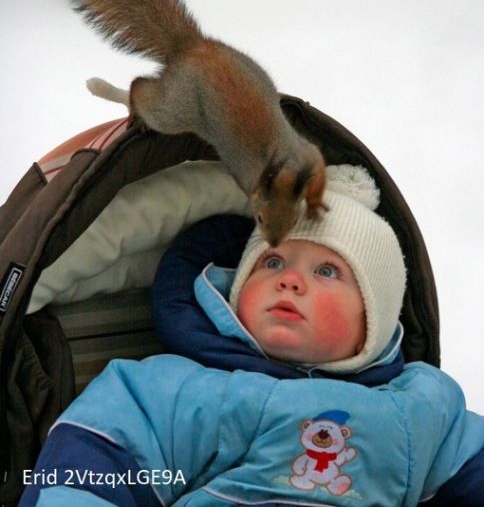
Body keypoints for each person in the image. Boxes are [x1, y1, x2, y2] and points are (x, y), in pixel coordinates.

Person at [20, 166, 484, 506]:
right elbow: (93, 465)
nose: (290, 281)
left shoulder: (421, 409)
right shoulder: (172, 390)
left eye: (327, 271)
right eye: (273, 262)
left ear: (374, 318)